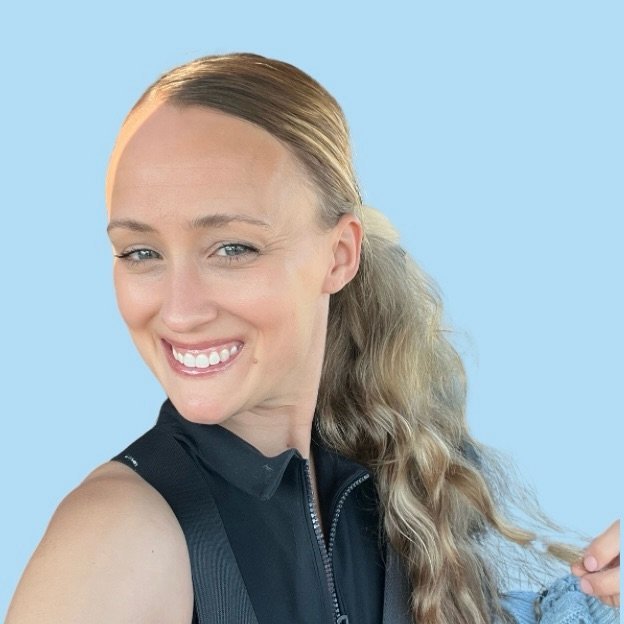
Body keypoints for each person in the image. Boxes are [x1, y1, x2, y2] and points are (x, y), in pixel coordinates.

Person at [6, 52, 619, 624]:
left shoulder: (388, 497)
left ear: (340, 255)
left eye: (233, 248)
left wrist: (598, 600)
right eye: (141, 252)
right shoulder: (118, 537)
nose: (180, 310)